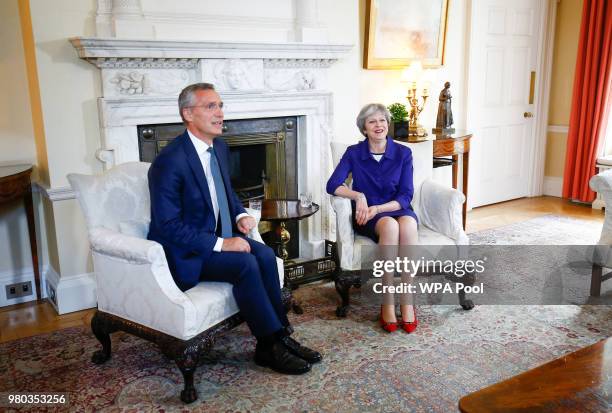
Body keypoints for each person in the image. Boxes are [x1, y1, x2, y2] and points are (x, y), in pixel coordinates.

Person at [147, 83, 321, 374]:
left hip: (217, 236)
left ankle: (278, 338)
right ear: (188, 114)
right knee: (245, 264)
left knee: (265, 255)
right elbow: (167, 226)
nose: (220, 113)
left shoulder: (221, 148)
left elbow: (226, 193)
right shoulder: (169, 161)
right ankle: (270, 343)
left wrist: (239, 214)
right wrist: (221, 244)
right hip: (186, 251)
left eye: (220, 105)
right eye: (210, 106)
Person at [326, 103, 419, 333]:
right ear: (364, 128)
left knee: (407, 224)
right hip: (368, 216)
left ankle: (407, 299)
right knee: (389, 226)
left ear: (388, 125)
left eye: (382, 121)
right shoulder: (354, 153)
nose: (379, 125)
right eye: (372, 122)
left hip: (395, 207)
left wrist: (379, 208)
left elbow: (406, 195)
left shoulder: (403, 153)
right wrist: (358, 196)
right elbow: (332, 184)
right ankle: (387, 301)